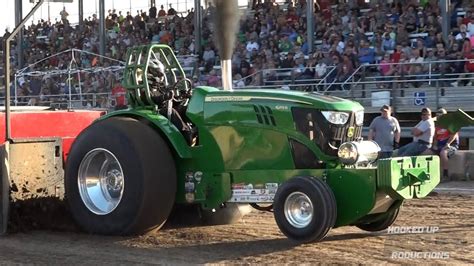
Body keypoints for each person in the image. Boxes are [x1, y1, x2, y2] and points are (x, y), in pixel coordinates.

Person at [429, 108, 460, 181]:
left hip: (451, 145)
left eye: (441, 115)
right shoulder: (437, 125)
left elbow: (454, 135)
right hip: (440, 144)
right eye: (438, 115)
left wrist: (448, 143)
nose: (439, 117)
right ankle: (430, 174)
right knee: (426, 152)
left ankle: (446, 175)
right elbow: (436, 137)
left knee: (443, 153)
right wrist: (435, 145)